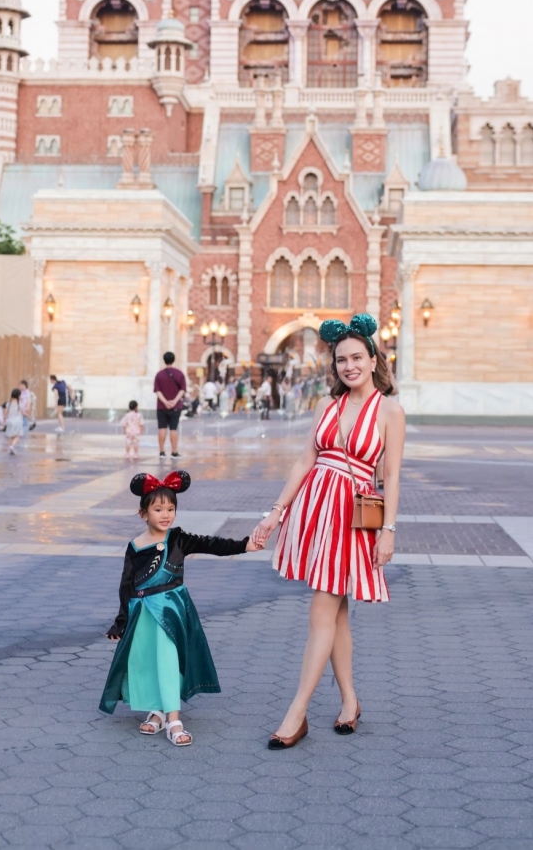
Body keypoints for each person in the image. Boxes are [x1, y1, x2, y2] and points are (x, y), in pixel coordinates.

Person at [251, 313, 405, 750]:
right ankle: (350, 702)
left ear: (374, 359)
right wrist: (276, 513)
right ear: (334, 366)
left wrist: (388, 529)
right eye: (341, 360)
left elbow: (390, 475)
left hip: (353, 518)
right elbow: (305, 460)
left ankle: (296, 713)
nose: (349, 366)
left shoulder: (390, 411)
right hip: (315, 513)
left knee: (322, 611)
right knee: (335, 615)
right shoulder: (327, 405)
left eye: (357, 357)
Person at [100, 470, 263, 744]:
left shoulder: (178, 538)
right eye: (158, 508)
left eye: (171, 508)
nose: (166, 514)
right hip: (143, 614)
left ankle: (174, 719)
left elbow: (211, 543)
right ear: (143, 514)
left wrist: (244, 545)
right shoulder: (135, 546)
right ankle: (157, 711)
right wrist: (121, 621)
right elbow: (126, 586)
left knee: (167, 659)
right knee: (147, 661)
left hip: (171, 611)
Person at [154, 352, 186, 458]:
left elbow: (157, 391)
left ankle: (162, 451)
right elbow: (182, 390)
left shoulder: (159, 374)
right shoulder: (179, 374)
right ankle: (174, 451)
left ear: (164, 360)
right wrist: (174, 401)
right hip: (176, 406)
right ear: (174, 359)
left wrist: (165, 402)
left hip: (161, 406)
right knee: (173, 428)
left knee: (162, 428)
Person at [5, 388, 24, 456]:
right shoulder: (20, 404)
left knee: (11, 436)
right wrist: (29, 417)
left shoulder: (8, 404)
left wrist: (5, 420)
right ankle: (12, 446)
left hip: (10, 421)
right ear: (19, 396)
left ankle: (10, 449)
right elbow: (22, 412)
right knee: (18, 435)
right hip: (18, 421)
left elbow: (6, 413)